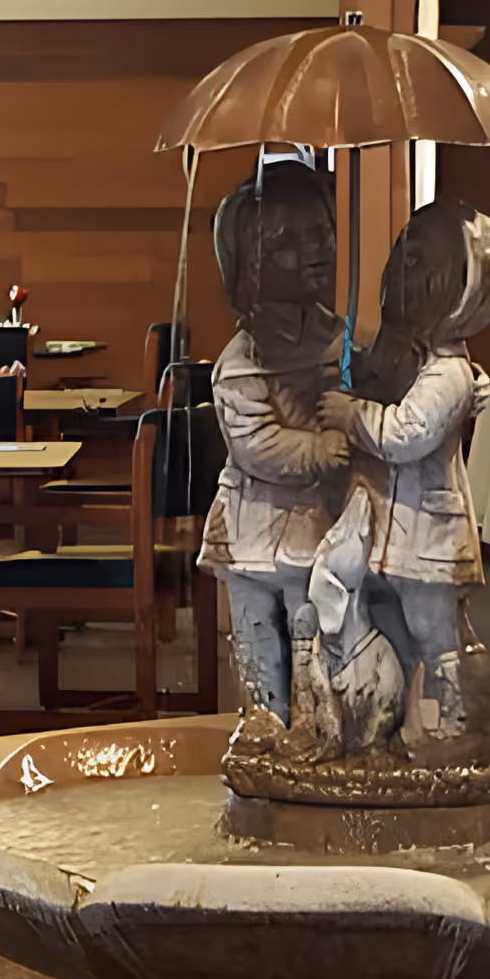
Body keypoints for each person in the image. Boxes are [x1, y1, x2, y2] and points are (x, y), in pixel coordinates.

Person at [315, 198, 490, 740]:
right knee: (394, 630)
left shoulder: (449, 372)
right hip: (391, 529)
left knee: (435, 635)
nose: (403, 271)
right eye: (402, 256)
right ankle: (393, 725)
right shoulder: (408, 357)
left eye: (420, 264)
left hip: (428, 536)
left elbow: (405, 435)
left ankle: (461, 727)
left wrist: (351, 414)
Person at [198, 158, 350, 724]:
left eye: (323, 232)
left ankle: (313, 734)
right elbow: (255, 444)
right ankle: (265, 730)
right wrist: (316, 448)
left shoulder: (338, 341)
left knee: (317, 633)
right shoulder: (240, 367)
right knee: (259, 647)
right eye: (292, 242)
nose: (318, 249)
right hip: (254, 530)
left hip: (319, 526)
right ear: (251, 265)